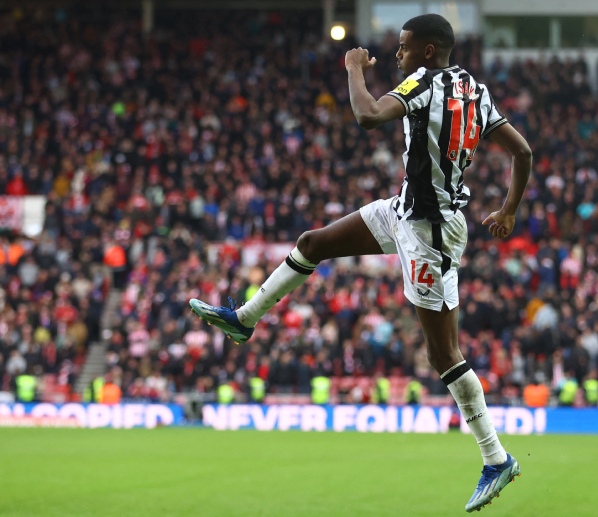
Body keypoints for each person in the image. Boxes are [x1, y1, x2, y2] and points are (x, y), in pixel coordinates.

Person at [189, 13, 531, 512]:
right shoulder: (475, 90)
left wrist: (354, 68)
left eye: (405, 46)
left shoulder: (424, 82)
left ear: (429, 51)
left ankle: (496, 457)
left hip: (428, 231)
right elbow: (522, 152)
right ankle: (245, 319)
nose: (397, 55)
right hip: (407, 212)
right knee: (314, 241)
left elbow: (368, 116)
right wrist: (508, 210)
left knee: (443, 354)